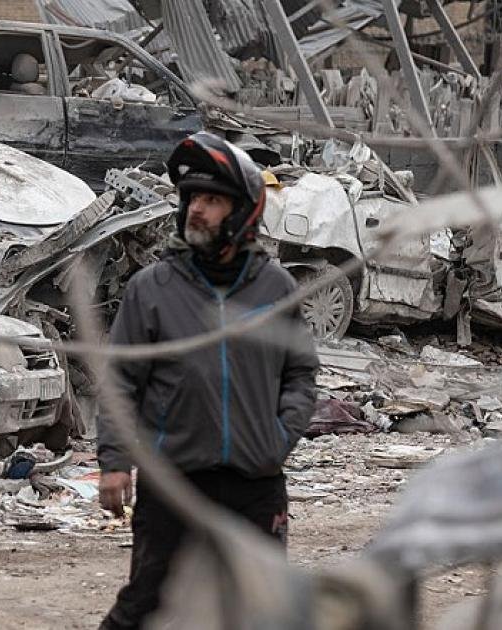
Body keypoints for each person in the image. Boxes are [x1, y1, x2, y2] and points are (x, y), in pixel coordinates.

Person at [96, 132, 320, 630]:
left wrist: (277, 439)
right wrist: (114, 463)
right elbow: (121, 383)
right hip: (173, 481)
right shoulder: (151, 288)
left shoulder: (276, 289)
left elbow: (301, 374)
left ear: (242, 213)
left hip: (255, 483)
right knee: (146, 605)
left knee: (264, 610)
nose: (196, 209)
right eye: (192, 198)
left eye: (212, 200)